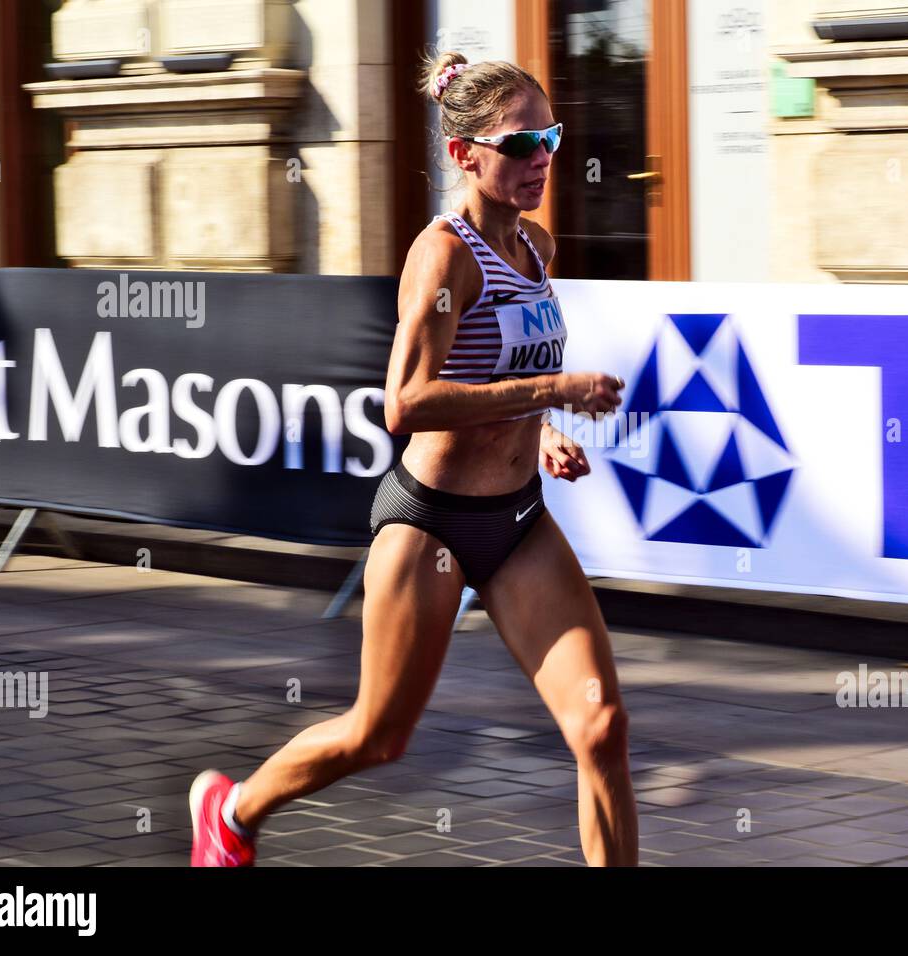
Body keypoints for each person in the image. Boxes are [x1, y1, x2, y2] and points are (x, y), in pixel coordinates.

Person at [189, 50, 640, 867]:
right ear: (464, 153)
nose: (541, 158)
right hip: (431, 524)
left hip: (517, 521)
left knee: (602, 726)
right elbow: (407, 403)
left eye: (552, 137)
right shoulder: (444, 257)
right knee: (379, 734)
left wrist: (543, 427)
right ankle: (233, 809)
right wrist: (554, 386)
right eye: (520, 143)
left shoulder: (534, 246)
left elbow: (501, 372)